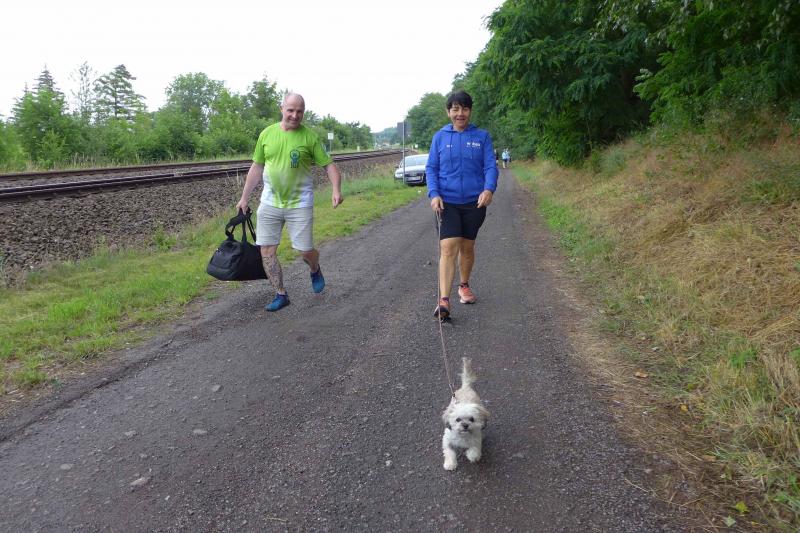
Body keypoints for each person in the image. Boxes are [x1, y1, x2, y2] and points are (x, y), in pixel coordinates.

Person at [236, 93, 343, 312]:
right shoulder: (267, 134)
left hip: (299, 203)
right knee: (266, 251)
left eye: (299, 111)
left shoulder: (310, 137)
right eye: (291, 110)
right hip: (270, 202)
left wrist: (336, 189)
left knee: (305, 250)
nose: (295, 115)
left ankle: (314, 268)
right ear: (282, 109)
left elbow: (329, 165)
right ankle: (280, 294)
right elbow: (257, 167)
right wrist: (244, 197)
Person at [426, 90, 498, 320]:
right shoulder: (440, 137)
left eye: (464, 109)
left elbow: (490, 166)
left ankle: (464, 285)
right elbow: (431, 168)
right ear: (448, 112)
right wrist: (434, 194)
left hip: (475, 203)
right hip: (447, 202)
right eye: (455, 109)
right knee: (448, 247)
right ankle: (444, 301)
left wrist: (488, 189)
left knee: (467, 247)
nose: (460, 113)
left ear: (470, 111)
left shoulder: (482, 137)